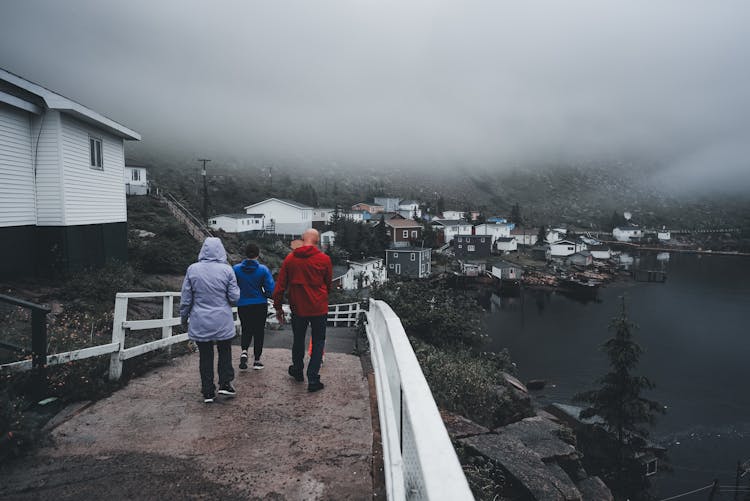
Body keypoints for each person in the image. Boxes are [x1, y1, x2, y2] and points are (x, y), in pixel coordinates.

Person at [180, 237, 240, 403]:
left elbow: (186, 299)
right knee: (224, 351)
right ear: (221, 250)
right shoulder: (227, 270)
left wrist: (184, 318)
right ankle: (225, 384)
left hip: (200, 320)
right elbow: (234, 298)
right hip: (222, 319)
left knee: (205, 355)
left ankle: (207, 391)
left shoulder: (192, 269)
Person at [272, 228, 332, 392]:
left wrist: (278, 308)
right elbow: (328, 284)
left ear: (302, 239)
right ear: (317, 242)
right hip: (319, 307)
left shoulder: (290, 259)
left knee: (298, 339)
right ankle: (313, 379)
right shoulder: (324, 259)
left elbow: (280, 287)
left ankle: (297, 370)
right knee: (318, 341)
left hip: (298, 307)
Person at [233, 242, 275, 370]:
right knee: (258, 331)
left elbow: (232, 286)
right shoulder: (263, 270)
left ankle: (244, 351)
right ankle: (257, 360)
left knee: (246, 329)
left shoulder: (236, 269)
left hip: (243, 303)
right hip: (259, 304)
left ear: (245, 254)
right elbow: (270, 289)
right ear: (258, 255)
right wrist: (264, 294)